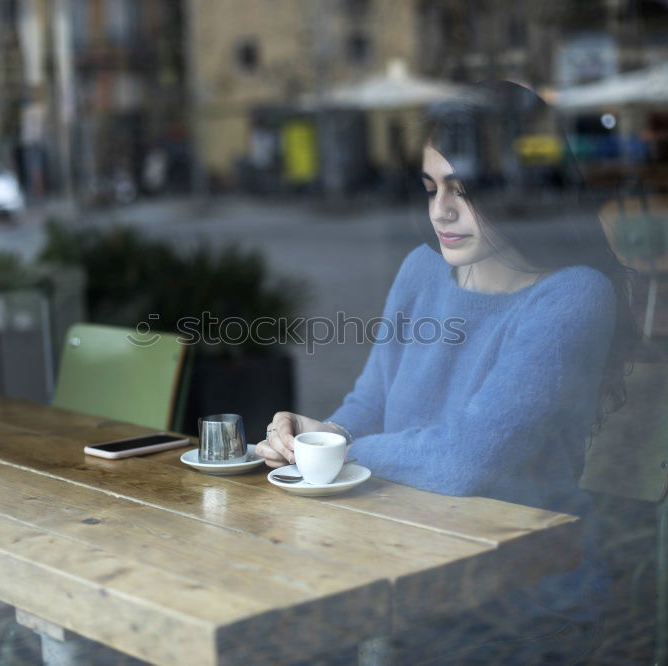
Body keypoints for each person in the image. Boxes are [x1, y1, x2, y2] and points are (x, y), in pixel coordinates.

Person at [258, 82, 636, 664]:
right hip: (402, 562)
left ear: (520, 189)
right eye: (431, 188)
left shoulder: (574, 296)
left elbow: (468, 460)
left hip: (521, 600)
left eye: (465, 190)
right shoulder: (420, 270)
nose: (442, 211)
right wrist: (318, 435)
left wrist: (341, 452)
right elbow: (371, 401)